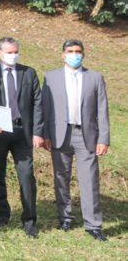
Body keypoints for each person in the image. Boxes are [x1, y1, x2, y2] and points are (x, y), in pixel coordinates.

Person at [42, 39, 110, 242]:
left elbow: (102, 109)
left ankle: (93, 224)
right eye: (70, 51)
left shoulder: (95, 77)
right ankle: (65, 217)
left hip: (86, 135)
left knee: (89, 179)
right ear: (63, 55)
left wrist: (104, 138)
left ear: (84, 54)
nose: (74, 54)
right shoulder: (50, 76)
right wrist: (45, 134)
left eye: (78, 51)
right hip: (59, 134)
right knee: (60, 177)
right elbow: (46, 108)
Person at [0, 37, 43, 238]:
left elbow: (38, 103)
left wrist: (38, 132)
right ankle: (2, 214)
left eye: (16, 51)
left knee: (27, 175)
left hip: (22, 132)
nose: (13, 55)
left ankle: (29, 220)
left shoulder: (29, 73)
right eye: (9, 52)